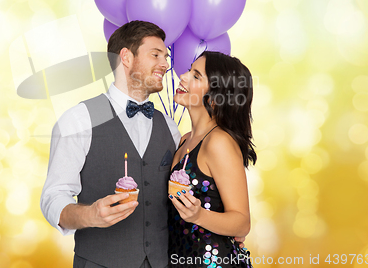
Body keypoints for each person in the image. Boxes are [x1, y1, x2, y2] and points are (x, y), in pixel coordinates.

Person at [40, 20, 181, 268]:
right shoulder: (78, 119)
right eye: (156, 55)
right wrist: (90, 214)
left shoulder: (169, 127)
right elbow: (53, 197)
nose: (166, 64)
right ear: (126, 57)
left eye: (166, 57)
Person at [168, 51, 256, 268]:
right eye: (190, 70)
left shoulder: (218, 141)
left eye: (196, 76)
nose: (183, 76)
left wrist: (198, 215)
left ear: (216, 98)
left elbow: (241, 222)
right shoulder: (185, 140)